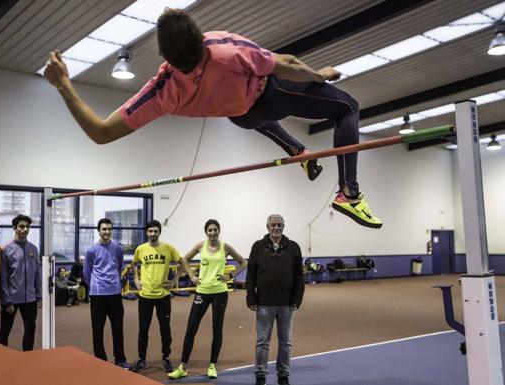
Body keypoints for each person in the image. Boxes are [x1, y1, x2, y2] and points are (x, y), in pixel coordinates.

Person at [43, 8, 381, 229]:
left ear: (164, 56)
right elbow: (288, 63)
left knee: (251, 115)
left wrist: (63, 85)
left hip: (242, 117)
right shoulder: (224, 48)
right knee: (347, 107)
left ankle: (298, 152)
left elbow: (101, 132)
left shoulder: (162, 91)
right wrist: (318, 76)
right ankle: (349, 192)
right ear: (201, 40)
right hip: (273, 96)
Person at [169, 219, 247, 380]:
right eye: (210, 230)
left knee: (217, 329)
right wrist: (191, 276)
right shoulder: (200, 246)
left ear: (219, 231)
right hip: (202, 292)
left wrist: (230, 276)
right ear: (206, 232)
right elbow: (185, 259)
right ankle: (182, 366)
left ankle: (212, 365)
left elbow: (243, 262)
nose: (212, 233)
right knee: (191, 329)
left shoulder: (226, 247)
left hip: (220, 292)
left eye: (215, 230)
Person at [246, 214, 304, 385]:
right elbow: (250, 274)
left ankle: (283, 374)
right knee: (262, 342)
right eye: (273, 225)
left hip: (287, 304)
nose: (276, 228)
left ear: (283, 227)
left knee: (285, 342)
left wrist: (297, 298)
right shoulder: (258, 247)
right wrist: (251, 296)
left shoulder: (293, 247)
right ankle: (261, 374)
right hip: (264, 303)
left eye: (279, 225)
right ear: (267, 227)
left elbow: (299, 276)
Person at [129, 220, 186, 373]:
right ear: (146, 233)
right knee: (143, 330)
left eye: (155, 231)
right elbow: (134, 264)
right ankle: (141, 359)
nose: (153, 234)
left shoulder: (168, 248)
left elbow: (182, 263)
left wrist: (175, 280)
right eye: (150, 231)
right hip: (145, 296)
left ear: (159, 232)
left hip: (163, 296)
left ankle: (166, 358)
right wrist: (136, 279)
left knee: (165, 329)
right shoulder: (141, 249)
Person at [84, 218, 130, 368]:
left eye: (109, 229)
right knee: (97, 330)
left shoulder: (118, 248)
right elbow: (87, 273)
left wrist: (113, 282)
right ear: (99, 231)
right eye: (104, 229)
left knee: (118, 328)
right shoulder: (91, 250)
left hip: (115, 294)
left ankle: (120, 359)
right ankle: (100, 361)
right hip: (98, 295)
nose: (107, 232)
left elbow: (119, 267)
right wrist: (95, 287)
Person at [0, 214, 41, 351]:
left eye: (27, 227)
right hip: (12, 299)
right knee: (5, 330)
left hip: (30, 298)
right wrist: (6, 300)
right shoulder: (6, 249)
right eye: (21, 226)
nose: (25, 229)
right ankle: (0, 356)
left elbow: (37, 274)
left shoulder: (33, 249)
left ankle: (27, 357)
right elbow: (3, 277)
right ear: (14, 228)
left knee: (30, 330)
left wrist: (39, 295)